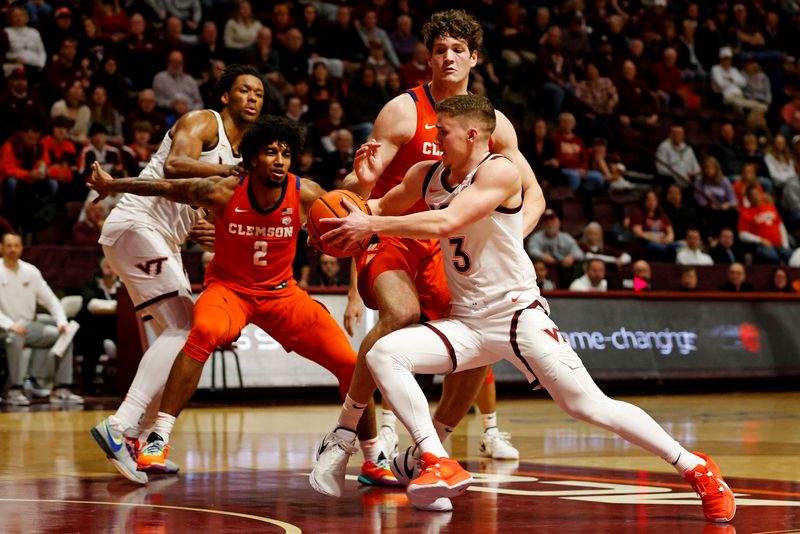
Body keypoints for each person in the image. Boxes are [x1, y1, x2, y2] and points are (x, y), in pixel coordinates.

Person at [320, 94, 735, 523]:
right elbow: (374, 209)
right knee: (384, 353)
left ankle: (695, 466)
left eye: (442, 130)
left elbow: (446, 222)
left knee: (588, 406)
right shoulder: (426, 174)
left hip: (517, 315)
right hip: (468, 322)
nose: (435, 137)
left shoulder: (500, 170)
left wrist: (371, 223)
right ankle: (433, 458)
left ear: (472, 134)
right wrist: (361, 189)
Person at [311, 10, 545, 505]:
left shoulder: (493, 123)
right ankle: (345, 433)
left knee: (479, 340)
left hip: (448, 247)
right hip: (393, 234)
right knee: (402, 313)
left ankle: (428, 446)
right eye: (440, 50)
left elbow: (535, 195)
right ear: (429, 58)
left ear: (474, 58)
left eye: (458, 49)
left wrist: (506, 241)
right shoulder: (401, 110)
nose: (449, 57)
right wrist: (360, 177)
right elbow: (360, 199)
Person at [88, 115, 396, 488]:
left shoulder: (308, 193)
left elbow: (355, 227)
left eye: (285, 153)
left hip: (281, 295)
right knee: (199, 332)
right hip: (229, 291)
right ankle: (158, 438)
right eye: (270, 152)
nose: (280, 160)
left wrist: (351, 292)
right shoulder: (220, 191)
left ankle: (373, 456)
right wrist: (111, 184)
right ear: (251, 159)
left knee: (350, 362)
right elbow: (163, 185)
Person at [88, 65, 265, 485]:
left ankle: (142, 440)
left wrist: (206, 230)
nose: (254, 98)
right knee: (188, 327)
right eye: (244, 90)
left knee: (186, 336)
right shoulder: (204, 121)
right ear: (226, 96)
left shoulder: (238, 160)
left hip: (164, 240)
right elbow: (174, 166)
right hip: (135, 224)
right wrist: (226, 174)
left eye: (259, 93)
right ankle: (120, 426)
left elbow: (200, 208)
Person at [0, 232, 83, 406]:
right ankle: (14, 390)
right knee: (16, 336)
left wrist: (61, 322)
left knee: (65, 335)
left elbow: (51, 300)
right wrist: (9, 325)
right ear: (1, 247)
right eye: (8, 245)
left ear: (22, 248)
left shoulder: (31, 271)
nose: (12, 249)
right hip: (5, 328)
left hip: (29, 326)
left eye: (16, 245)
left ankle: (62, 389)